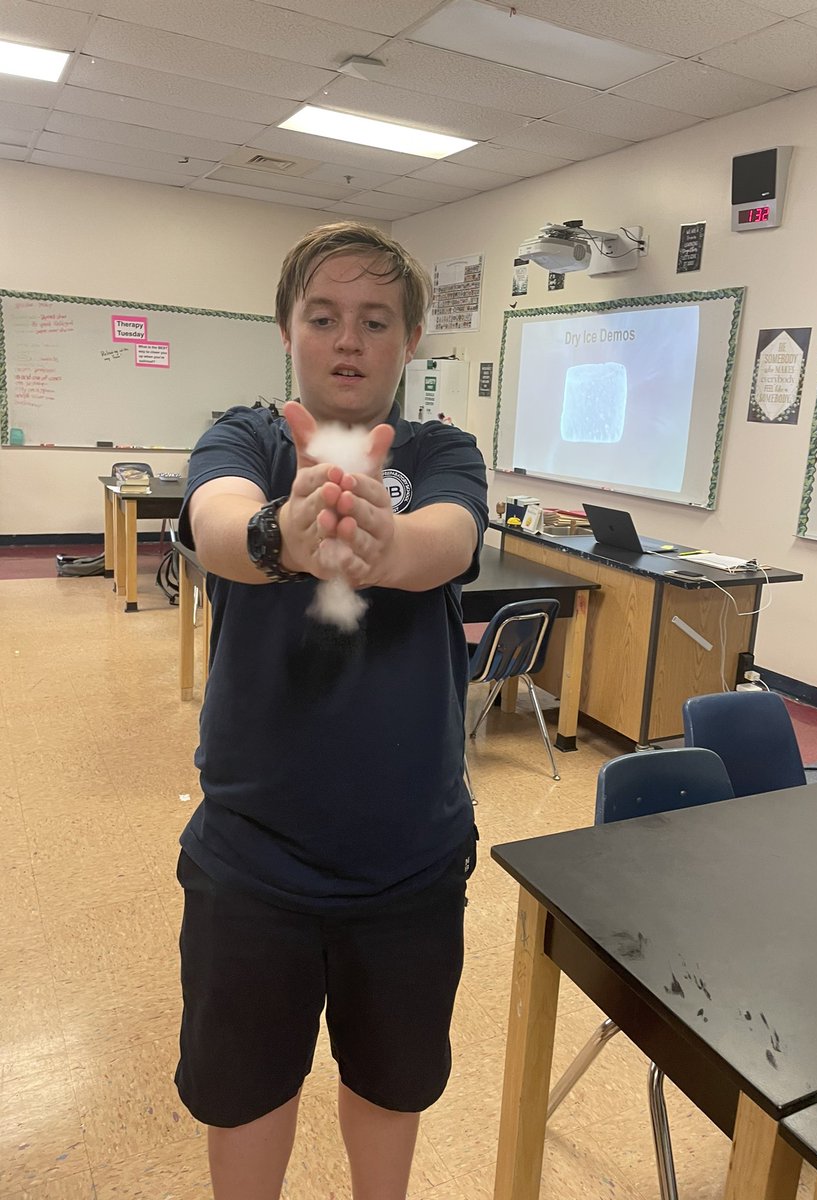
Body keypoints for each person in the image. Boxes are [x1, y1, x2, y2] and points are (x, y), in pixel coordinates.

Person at [174, 221, 488, 1200]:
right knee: (246, 1097)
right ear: (287, 329)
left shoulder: (442, 450)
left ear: (409, 341)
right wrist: (284, 537)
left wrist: (382, 551)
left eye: (376, 320)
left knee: (391, 1090)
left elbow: (449, 537)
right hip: (252, 866)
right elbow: (216, 520)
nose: (349, 340)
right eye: (324, 317)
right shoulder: (245, 438)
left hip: (410, 865)